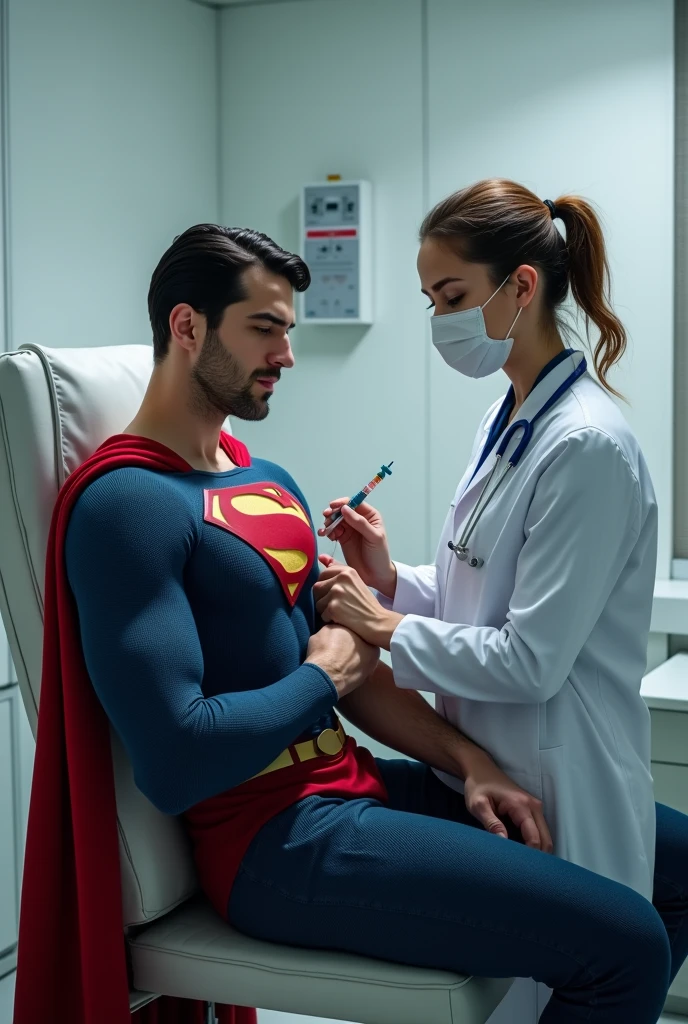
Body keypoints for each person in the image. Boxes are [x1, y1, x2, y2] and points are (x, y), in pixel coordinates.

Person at [42, 224, 688, 1024]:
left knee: (680, 862)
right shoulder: (127, 507)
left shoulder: (263, 480)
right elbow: (178, 759)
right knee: (626, 943)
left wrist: (471, 762)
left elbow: (359, 665)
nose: (285, 354)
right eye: (265, 329)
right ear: (187, 327)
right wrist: (326, 676)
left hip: (359, 785)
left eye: (289, 331)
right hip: (277, 842)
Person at [313, 178, 658, 900]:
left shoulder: (586, 445)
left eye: (453, 297)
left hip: (564, 782)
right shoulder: (507, 420)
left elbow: (530, 661)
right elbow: (478, 597)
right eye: (432, 303)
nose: (440, 320)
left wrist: (380, 623)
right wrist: (390, 578)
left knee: (569, 991)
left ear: (521, 285)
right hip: (492, 773)